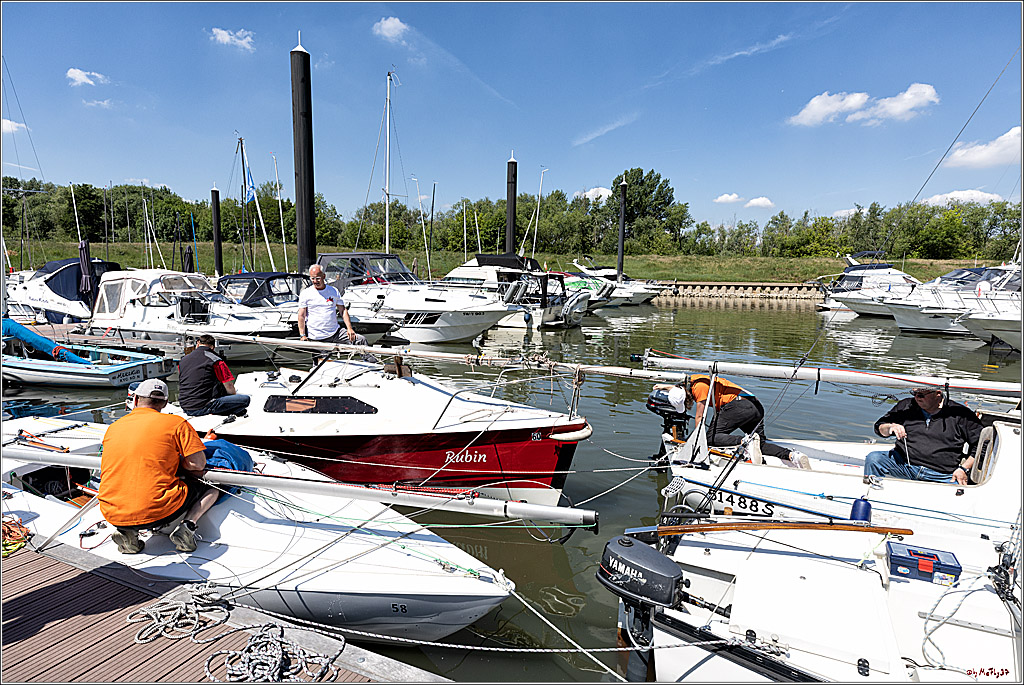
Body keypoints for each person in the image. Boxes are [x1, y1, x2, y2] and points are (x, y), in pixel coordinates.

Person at [98, 379, 219, 554]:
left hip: (111, 512)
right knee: (212, 487)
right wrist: (179, 462)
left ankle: (128, 533)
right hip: (159, 511)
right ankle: (187, 526)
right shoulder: (176, 423)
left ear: (136, 399)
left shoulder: (113, 428)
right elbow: (197, 464)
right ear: (165, 403)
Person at [655, 374, 809, 468]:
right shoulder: (692, 382)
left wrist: (697, 442)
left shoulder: (699, 387)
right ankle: (792, 456)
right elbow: (680, 385)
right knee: (760, 444)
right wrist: (665, 386)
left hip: (738, 405)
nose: (690, 403)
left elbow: (699, 418)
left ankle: (746, 442)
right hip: (754, 405)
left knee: (710, 438)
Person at [864, 387, 983, 484]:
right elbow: (879, 428)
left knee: (959, 493)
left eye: (921, 395)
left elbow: (981, 445)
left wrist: (963, 468)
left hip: (942, 474)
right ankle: (871, 496)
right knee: (874, 458)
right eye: (914, 393)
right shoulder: (906, 406)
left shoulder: (960, 413)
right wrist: (890, 427)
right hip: (904, 465)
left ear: (938, 393)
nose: (916, 398)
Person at [297, 264, 371, 348]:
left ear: (323, 276)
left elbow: (342, 310)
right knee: (321, 360)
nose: (315, 281)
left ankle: (370, 361)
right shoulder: (306, 293)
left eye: (318, 278)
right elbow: (301, 315)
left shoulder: (333, 291)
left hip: (336, 333)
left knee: (361, 340)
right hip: (316, 337)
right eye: (312, 278)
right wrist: (302, 335)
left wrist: (349, 328)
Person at [177, 334, 250, 417]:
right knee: (245, 399)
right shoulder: (215, 360)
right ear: (212, 347)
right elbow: (229, 386)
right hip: (203, 406)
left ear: (197, 344)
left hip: (185, 406)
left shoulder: (183, 360)